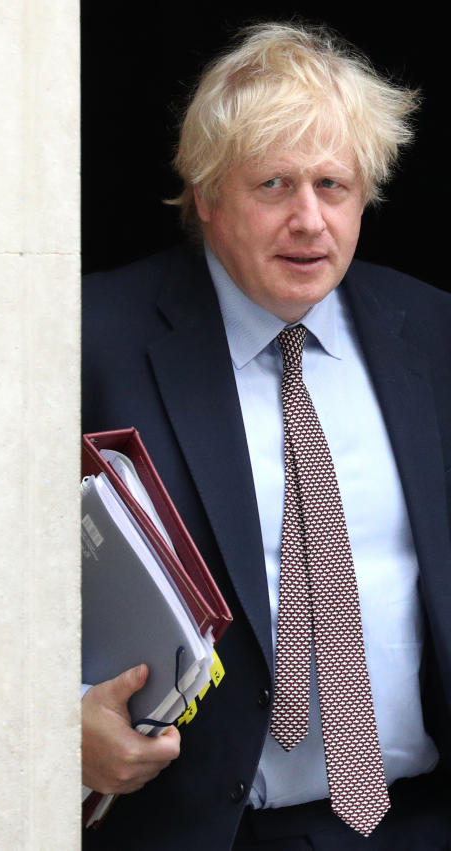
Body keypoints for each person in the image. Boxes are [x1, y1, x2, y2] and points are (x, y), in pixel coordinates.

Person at [82, 22, 451, 850]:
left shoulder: (432, 333)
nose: (310, 220)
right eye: (274, 184)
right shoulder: (92, 339)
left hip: (416, 820)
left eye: (333, 184)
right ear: (207, 194)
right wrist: (59, 724)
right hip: (203, 830)